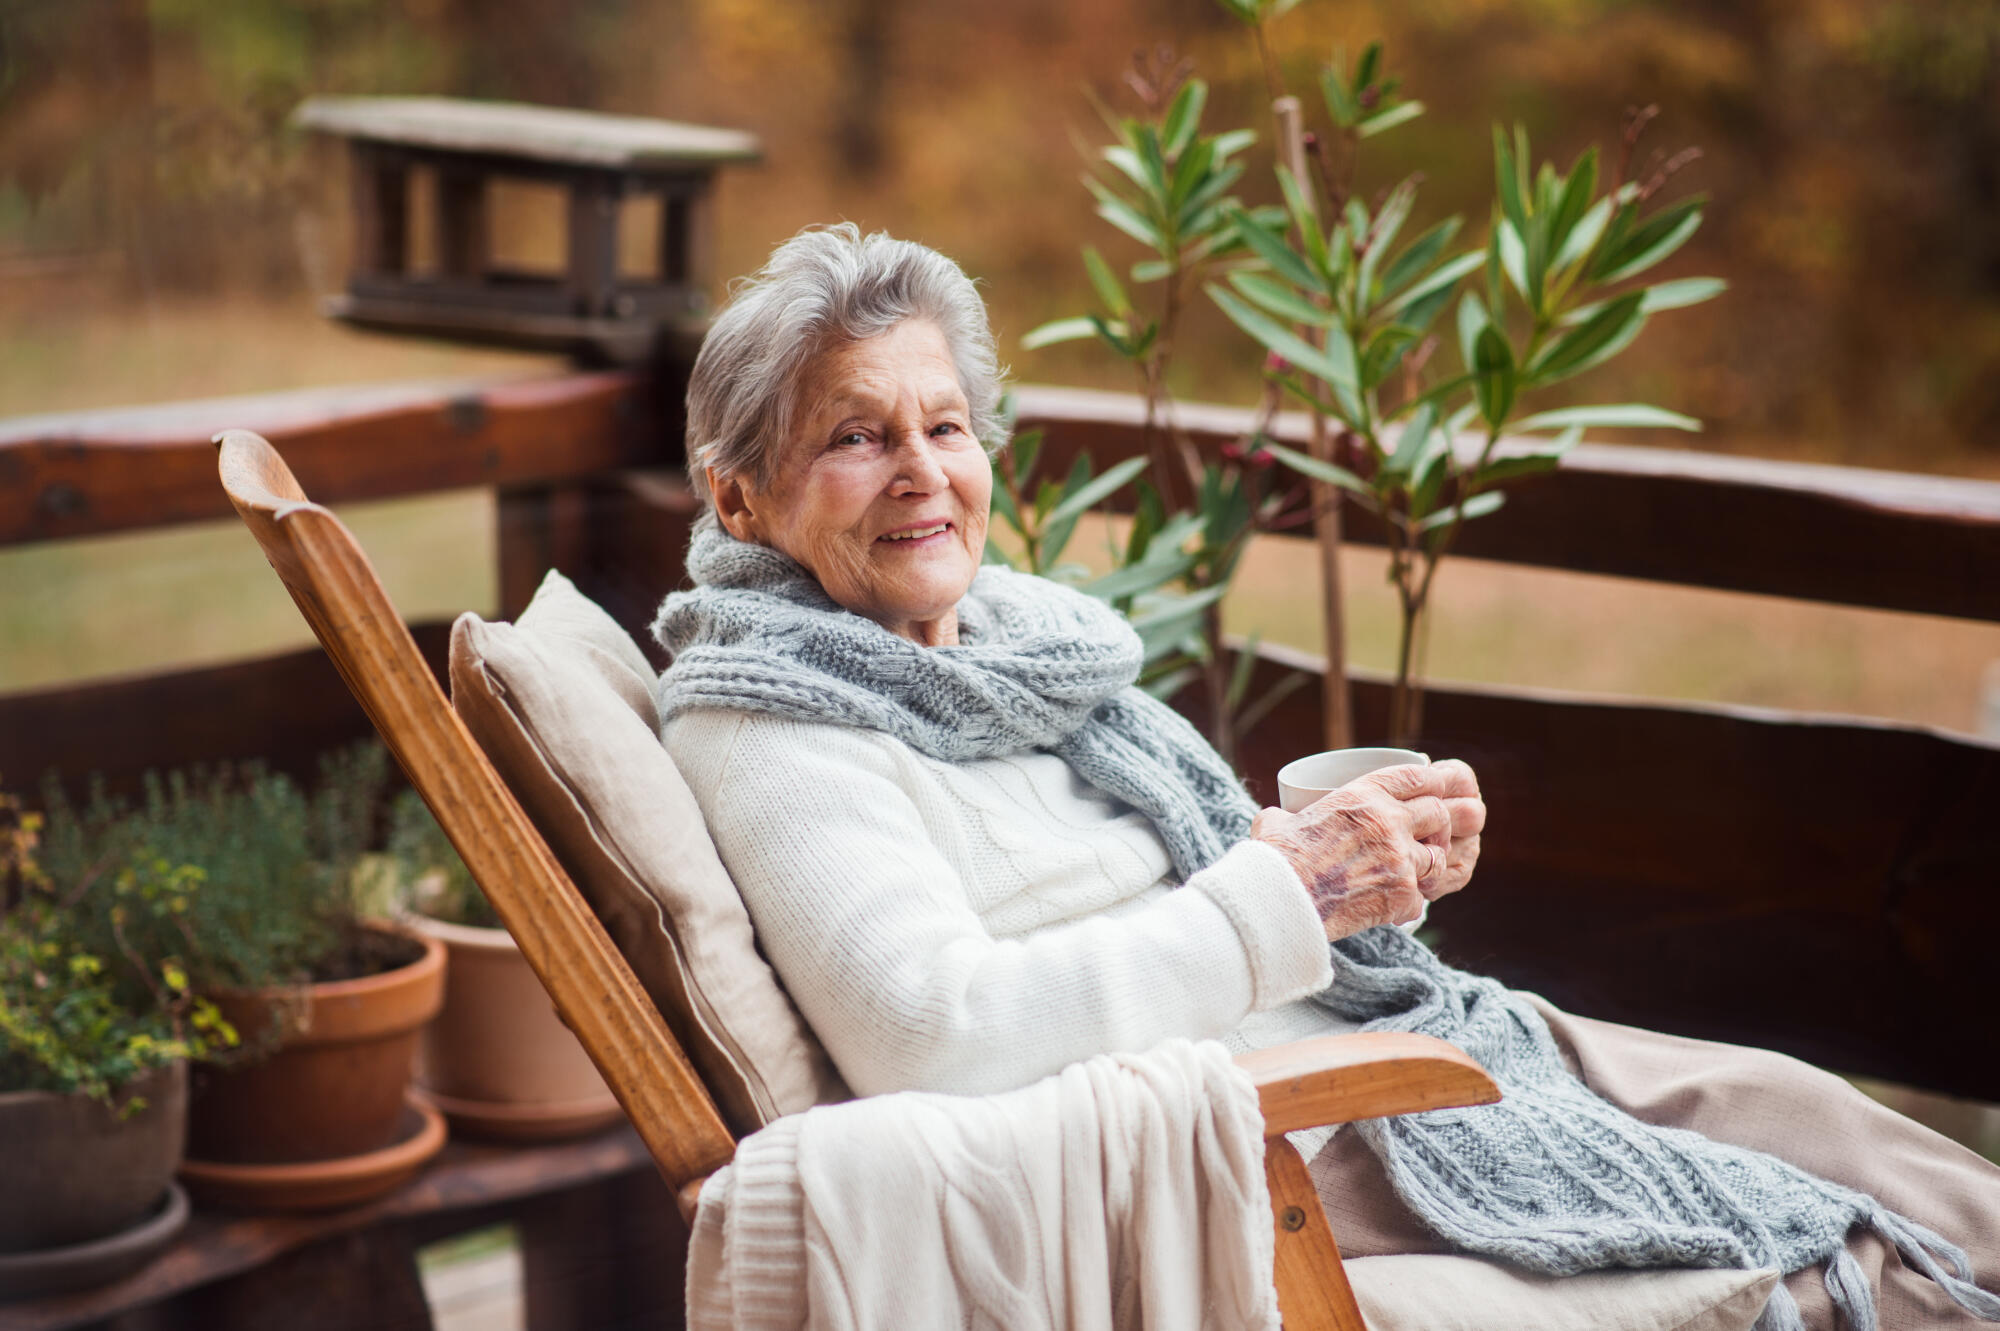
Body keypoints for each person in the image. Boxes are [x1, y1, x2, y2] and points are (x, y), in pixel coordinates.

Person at [652, 224, 1999, 1330]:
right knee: (1878, 1265)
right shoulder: (778, 731)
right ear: (739, 498)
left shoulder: (1010, 647)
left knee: (1845, 1134)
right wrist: (1289, 893)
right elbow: (933, 1034)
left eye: (945, 427)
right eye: (856, 437)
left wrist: (1361, 876)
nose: (921, 474)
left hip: (1372, 1032)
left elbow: (1162, 879)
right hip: (1274, 1134)